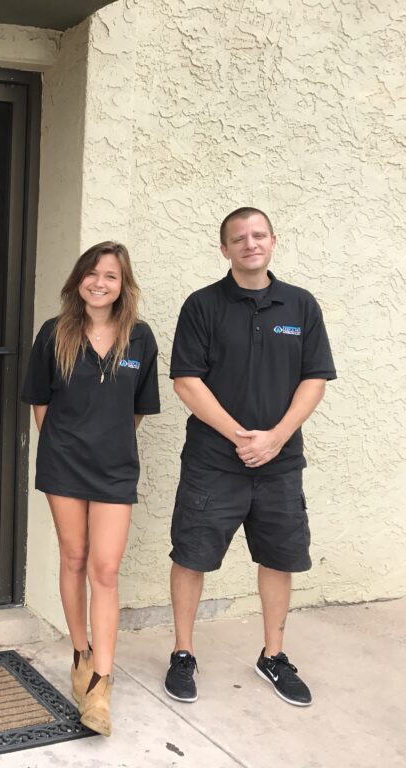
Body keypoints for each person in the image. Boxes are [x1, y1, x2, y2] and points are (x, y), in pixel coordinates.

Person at [164, 207, 335, 708]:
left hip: (279, 464)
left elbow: (315, 379)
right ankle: (182, 653)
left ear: (273, 241)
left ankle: (274, 656)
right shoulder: (203, 306)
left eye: (258, 235)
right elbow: (186, 381)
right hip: (213, 462)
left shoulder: (300, 306)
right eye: (238, 238)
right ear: (224, 249)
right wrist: (242, 436)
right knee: (191, 556)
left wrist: (276, 437)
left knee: (278, 558)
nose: (249, 244)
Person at [21, 241, 159, 736]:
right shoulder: (53, 334)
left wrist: (107, 443)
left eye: (112, 276)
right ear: (79, 279)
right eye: (93, 274)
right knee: (74, 558)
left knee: (105, 567)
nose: (100, 283)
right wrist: (64, 446)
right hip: (64, 466)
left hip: (115, 470)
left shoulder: (139, 339)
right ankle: (80, 654)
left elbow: (138, 408)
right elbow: (39, 402)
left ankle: (102, 682)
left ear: (124, 286)